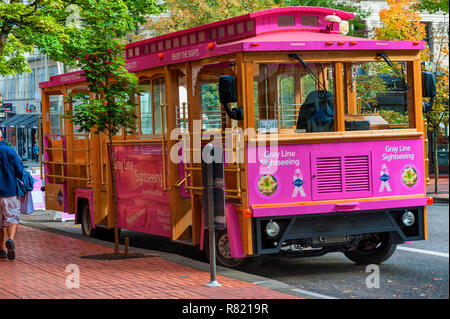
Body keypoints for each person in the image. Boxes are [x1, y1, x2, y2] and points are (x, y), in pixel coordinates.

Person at [0, 129, 24, 261]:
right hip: (9, 191)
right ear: (2, 136)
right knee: (12, 218)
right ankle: (10, 240)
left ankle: (1, 250)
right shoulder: (9, 150)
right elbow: (19, 170)